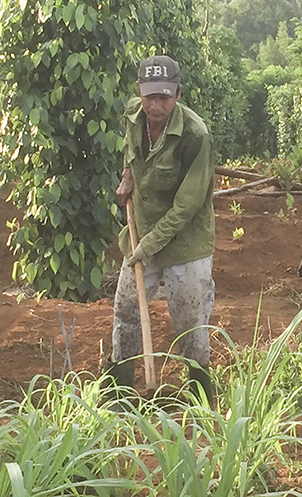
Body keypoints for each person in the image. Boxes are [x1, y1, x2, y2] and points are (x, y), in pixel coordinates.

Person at [109, 54, 216, 404]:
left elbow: (187, 205)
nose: (155, 106)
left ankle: (200, 398)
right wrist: (128, 175)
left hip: (186, 241)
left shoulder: (195, 136)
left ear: (178, 94)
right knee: (126, 308)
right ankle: (119, 391)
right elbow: (130, 149)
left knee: (190, 319)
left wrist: (149, 245)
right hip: (143, 229)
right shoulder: (132, 115)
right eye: (150, 96)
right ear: (139, 91)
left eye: (164, 98)